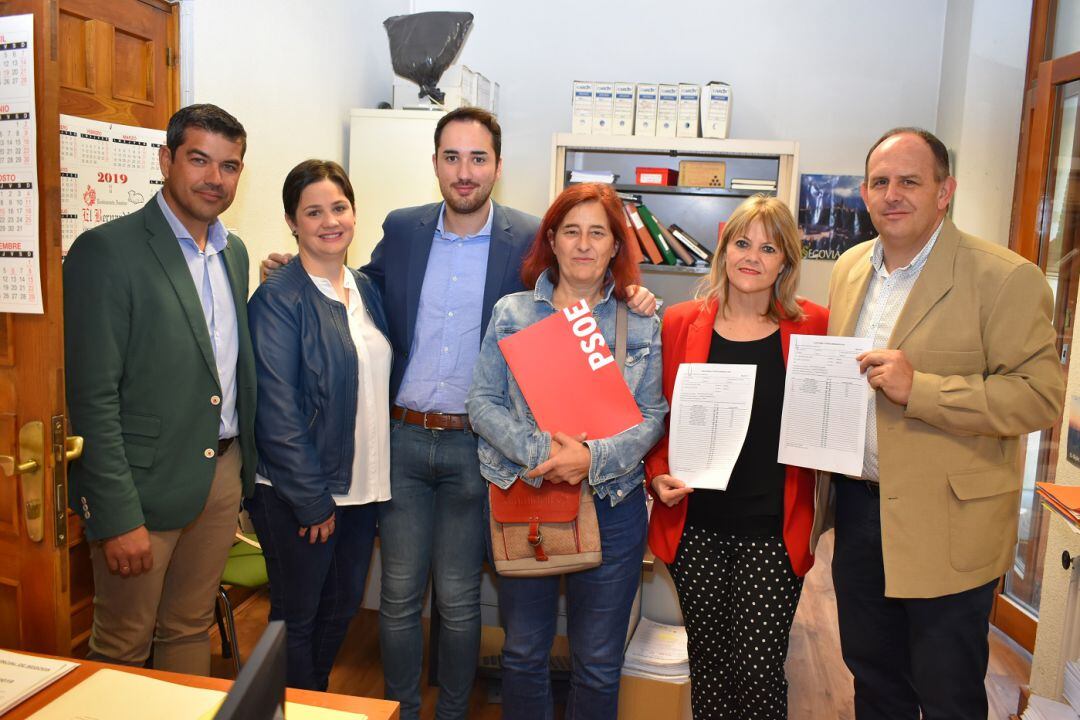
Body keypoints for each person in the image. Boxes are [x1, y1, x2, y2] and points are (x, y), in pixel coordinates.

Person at [261, 107, 655, 718]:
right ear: (437, 162)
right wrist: (295, 269)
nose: (465, 172)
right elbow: (361, 286)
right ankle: (398, 710)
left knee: (460, 597)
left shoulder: (527, 235)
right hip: (404, 438)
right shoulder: (406, 228)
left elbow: (589, 298)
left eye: (478, 158)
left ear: (498, 165)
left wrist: (630, 291)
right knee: (397, 596)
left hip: (479, 449)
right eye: (452, 157)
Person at [811, 127, 1065, 718]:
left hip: (949, 523)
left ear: (944, 191)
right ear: (865, 194)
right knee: (872, 680)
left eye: (910, 181)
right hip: (860, 512)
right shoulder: (850, 268)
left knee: (947, 692)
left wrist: (920, 389)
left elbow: (1038, 398)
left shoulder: (1004, 277)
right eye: (880, 182)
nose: (892, 194)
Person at [63, 104, 255, 675]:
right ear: (166, 159)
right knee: (122, 644)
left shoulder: (234, 252)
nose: (214, 178)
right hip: (141, 487)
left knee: (189, 627)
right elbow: (92, 399)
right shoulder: (108, 251)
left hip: (220, 472)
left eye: (229, 165)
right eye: (199, 160)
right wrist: (117, 516)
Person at [466, 182, 667, 720]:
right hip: (528, 495)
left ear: (615, 246)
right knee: (524, 652)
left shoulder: (641, 318)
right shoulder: (512, 313)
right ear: (550, 240)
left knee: (599, 663)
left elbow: (653, 417)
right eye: (571, 231)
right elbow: (482, 404)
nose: (584, 244)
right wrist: (546, 453)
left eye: (597, 233)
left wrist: (591, 459)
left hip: (613, 502)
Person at [645, 194, 828, 719]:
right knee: (708, 665)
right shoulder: (679, 322)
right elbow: (658, 419)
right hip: (696, 527)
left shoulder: (815, 325)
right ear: (723, 251)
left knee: (760, 672)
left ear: (786, 262)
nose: (753, 257)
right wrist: (656, 475)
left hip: (772, 530)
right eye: (742, 243)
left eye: (769, 248)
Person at [246, 160, 391, 691]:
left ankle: (314, 702)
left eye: (339, 207)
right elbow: (276, 410)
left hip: (360, 491)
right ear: (292, 222)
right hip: (298, 495)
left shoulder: (365, 290)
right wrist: (310, 498)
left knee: (340, 611)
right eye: (313, 212)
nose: (330, 221)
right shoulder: (279, 299)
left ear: (354, 212)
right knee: (297, 618)